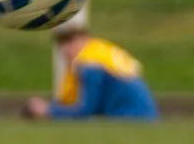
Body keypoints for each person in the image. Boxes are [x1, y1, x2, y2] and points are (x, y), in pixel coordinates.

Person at [25, 14, 158, 120]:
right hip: (145, 117)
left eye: (71, 41)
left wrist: (48, 110)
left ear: (84, 39)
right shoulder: (101, 53)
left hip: (130, 120)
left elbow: (86, 111)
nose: (66, 49)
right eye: (62, 44)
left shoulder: (90, 66)